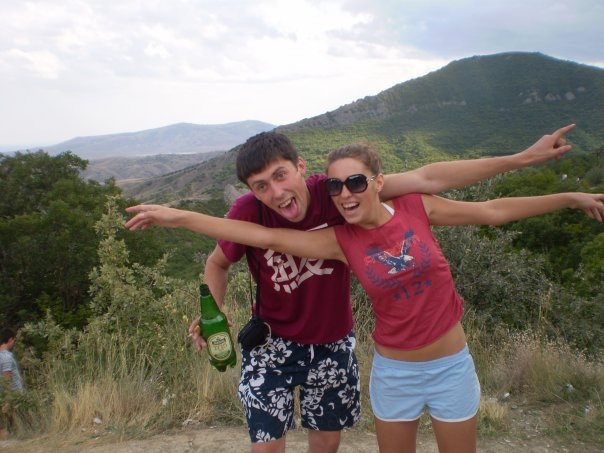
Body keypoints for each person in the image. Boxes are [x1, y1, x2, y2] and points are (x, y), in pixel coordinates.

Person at [127, 125, 584, 453]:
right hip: (316, 352)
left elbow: (441, 183)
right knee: (267, 444)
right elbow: (254, 241)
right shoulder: (307, 227)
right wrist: (177, 218)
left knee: (328, 441)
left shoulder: (373, 202)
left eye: (281, 176)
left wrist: (531, 164)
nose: (345, 193)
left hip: (371, 349)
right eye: (261, 185)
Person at [0, 328, 24, 439]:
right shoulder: (6, 356)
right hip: (13, 394)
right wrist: (8, 399)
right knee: (11, 420)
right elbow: (7, 378)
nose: (14, 343)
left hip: (5, 394)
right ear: (10, 339)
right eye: (14, 340)